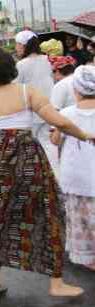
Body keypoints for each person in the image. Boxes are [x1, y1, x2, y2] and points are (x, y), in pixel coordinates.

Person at [0, 48, 92, 298]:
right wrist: (84, 135)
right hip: (27, 161)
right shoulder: (27, 92)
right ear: (11, 68)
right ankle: (56, 284)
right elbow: (59, 121)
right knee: (48, 213)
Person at [52, 65, 95, 271]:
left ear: (76, 90)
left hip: (76, 174)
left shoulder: (67, 113)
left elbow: (55, 140)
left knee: (80, 217)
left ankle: (87, 257)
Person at [15, 30, 58, 171]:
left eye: (17, 44)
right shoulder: (47, 59)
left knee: (31, 145)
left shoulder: (21, 64)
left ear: (23, 45)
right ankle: (55, 173)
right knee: (48, 142)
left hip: (31, 109)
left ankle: (38, 173)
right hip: (49, 106)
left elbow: (16, 88)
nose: (16, 48)